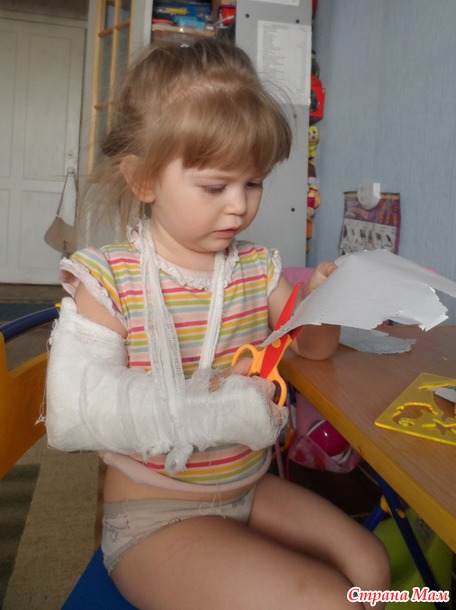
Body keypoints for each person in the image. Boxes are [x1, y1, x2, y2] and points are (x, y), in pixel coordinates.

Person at [45, 37, 390, 609]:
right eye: (215, 186)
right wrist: (218, 407)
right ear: (143, 179)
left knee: (372, 571)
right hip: (154, 516)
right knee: (334, 600)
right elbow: (77, 410)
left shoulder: (256, 269)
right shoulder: (108, 279)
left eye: (253, 183)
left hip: (247, 490)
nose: (239, 206)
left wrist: (327, 304)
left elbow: (312, 348)